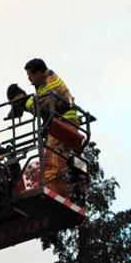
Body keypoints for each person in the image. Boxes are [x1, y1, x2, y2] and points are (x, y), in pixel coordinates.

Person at [22, 58, 79, 194]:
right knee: (60, 158)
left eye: (30, 75)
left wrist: (25, 102)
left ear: (38, 72)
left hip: (63, 123)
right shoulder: (46, 81)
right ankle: (64, 187)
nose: (29, 79)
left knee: (51, 157)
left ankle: (51, 186)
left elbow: (42, 107)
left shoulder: (49, 84)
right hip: (63, 122)